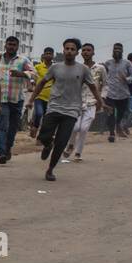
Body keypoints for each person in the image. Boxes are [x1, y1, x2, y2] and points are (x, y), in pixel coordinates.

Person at [27, 38, 102, 180]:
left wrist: (100, 102)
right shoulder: (55, 68)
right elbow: (41, 83)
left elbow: (93, 87)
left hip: (72, 110)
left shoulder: (83, 69)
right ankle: (48, 145)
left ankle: (50, 170)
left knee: (61, 142)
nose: (69, 51)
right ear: (63, 50)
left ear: (77, 52)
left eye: (72, 49)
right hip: (54, 107)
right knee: (43, 136)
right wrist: (31, 99)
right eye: (67, 49)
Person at [0, 36, 35, 164]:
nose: (11, 47)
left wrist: (22, 74)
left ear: (17, 46)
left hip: (17, 99)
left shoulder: (23, 60)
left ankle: (8, 148)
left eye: (14, 45)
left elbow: (34, 73)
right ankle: (1, 153)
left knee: (13, 128)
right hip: (1, 99)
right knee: (3, 125)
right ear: (5, 45)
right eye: (9, 44)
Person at [69, 42, 106, 162]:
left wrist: (102, 98)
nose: (86, 52)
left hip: (92, 102)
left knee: (84, 128)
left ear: (93, 52)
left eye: (88, 50)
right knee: (75, 128)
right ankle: (70, 145)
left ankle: (78, 153)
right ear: (81, 53)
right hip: (77, 102)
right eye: (84, 50)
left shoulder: (100, 68)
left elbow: (106, 85)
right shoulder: (77, 68)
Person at [103, 42, 132, 142]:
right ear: (112, 50)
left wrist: (127, 79)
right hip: (110, 94)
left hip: (123, 94)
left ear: (122, 51)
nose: (117, 50)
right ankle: (112, 134)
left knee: (121, 114)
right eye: (115, 49)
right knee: (110, 114)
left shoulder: (127, 63)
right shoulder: (108, 63)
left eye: (119, 49)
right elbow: (102, 76)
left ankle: (118, 126)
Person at [27, 46, 55, 139]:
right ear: (43, 55)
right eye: (46, 53)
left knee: (47, 118)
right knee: (39, 113)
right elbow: (32, 77)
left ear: (53, 55)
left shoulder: (55, 68)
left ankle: (41, 137)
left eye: (50, 53)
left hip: (51, 98)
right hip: (39, 95)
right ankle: (35, 126)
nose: (48, 55)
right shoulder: (38, 67)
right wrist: (31, 84)